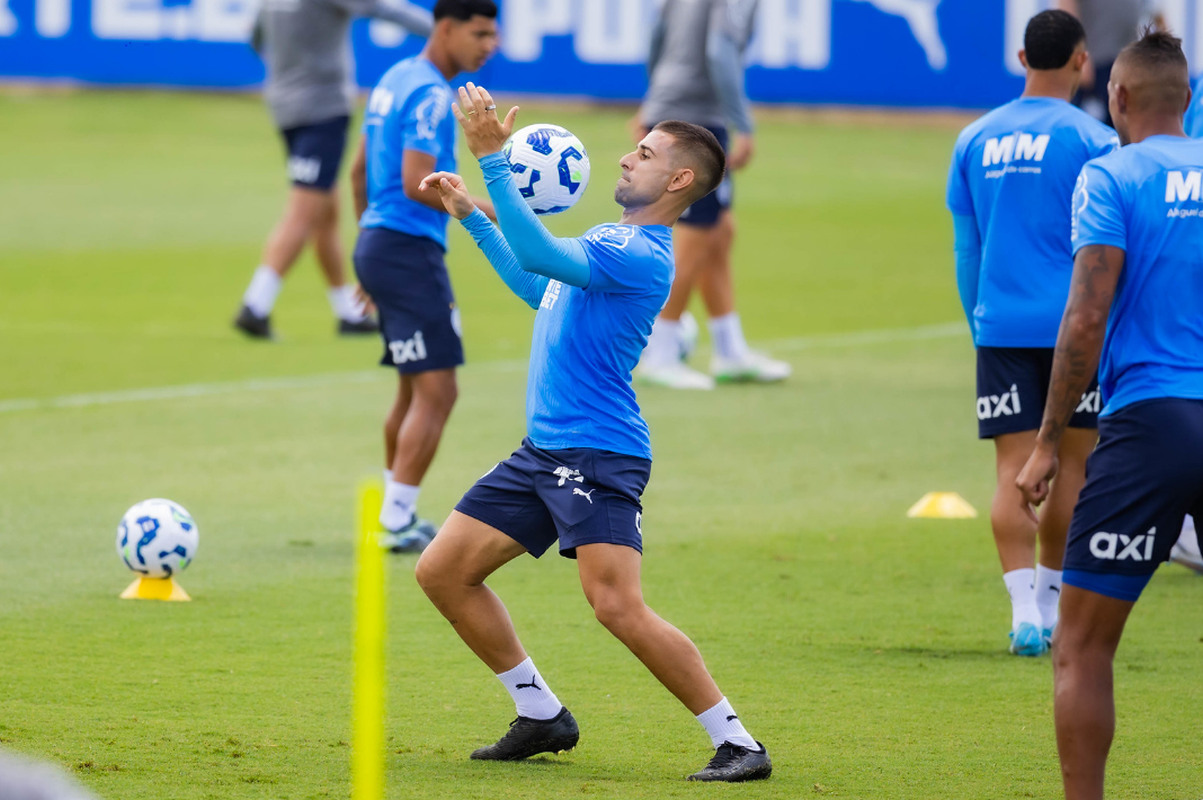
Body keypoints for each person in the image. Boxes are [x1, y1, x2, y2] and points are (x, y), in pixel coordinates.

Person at [412, 83, 773, 782]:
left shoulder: (642, 253)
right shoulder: (611, 242)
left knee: (616, 606)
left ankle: (737, 742)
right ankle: (541, 714)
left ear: (678, 179)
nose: (623, 159)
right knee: (444, 572)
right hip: (543, 450)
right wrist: (471, 216)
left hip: (598, 454)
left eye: (642, 154)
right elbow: (538, 285)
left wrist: (490, 158)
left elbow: (545, 258)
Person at [1016, 29, 1203, 800]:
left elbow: (1085, 316)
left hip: (1152, 423)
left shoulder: (1110, 175)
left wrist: (1048, 441)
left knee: (1082, 646)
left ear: (1116, 99)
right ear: (1188, 101)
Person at [946, 9, 1118, 656]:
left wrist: (977, 324)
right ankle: (1049, 604)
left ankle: (1020, 610)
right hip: (1074, 327)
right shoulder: (1094, 141)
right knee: (1072, 466)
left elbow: (967, 250)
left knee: (1010, 470)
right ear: (1082, 61)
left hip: (1000, 328)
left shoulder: (972, 138)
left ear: (1021, 59)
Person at [350, 0, 499, 552]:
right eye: (480, 33)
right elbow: (419, 180)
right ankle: (394, 521)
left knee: (415, 389)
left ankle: (395, 514)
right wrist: (496, 210)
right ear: (446, 28)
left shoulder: (394, 77)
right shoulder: (433, 94)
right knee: (439, 392)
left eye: (494, 35)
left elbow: (360, 171)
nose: (489, 45)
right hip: (408, 253)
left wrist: (368, 247)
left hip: (382, 244)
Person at [232, 0, 433, 340]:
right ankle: (256, 304)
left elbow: (255, 37)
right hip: (321, 108)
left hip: (283, 105)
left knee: (324, 210)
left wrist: (284, 67)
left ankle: (348, 312)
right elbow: (383, 9)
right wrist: (443, 31)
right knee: (304, 209)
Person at [631, 0, 790, 390]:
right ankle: (661, 352)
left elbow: (657, 36)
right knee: (699, 235)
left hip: (672, 108)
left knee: (719, 231)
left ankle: (730, 350)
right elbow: (719, 52)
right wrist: (742, 122)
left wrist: (654, 101)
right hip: (698, 116)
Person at [1056, 0, 1142, 126]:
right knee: (1091, 129)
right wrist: (1078, 52)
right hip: (1096, 62)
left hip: (1129, 59)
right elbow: (1066, 7)